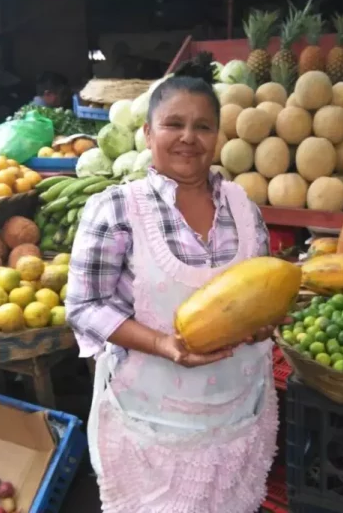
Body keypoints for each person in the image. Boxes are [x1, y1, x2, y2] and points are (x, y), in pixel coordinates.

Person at [66, 54, 279, 513]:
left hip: (237, 412)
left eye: (203, 127)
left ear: (217, 137)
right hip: (153, 423)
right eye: (173, 124)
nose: (188, 137)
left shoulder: (244, 207)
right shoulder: (117, 209)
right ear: (147, 132)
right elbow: (86, 306)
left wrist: (266, 323)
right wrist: (165, 344)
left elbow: (262, 294)